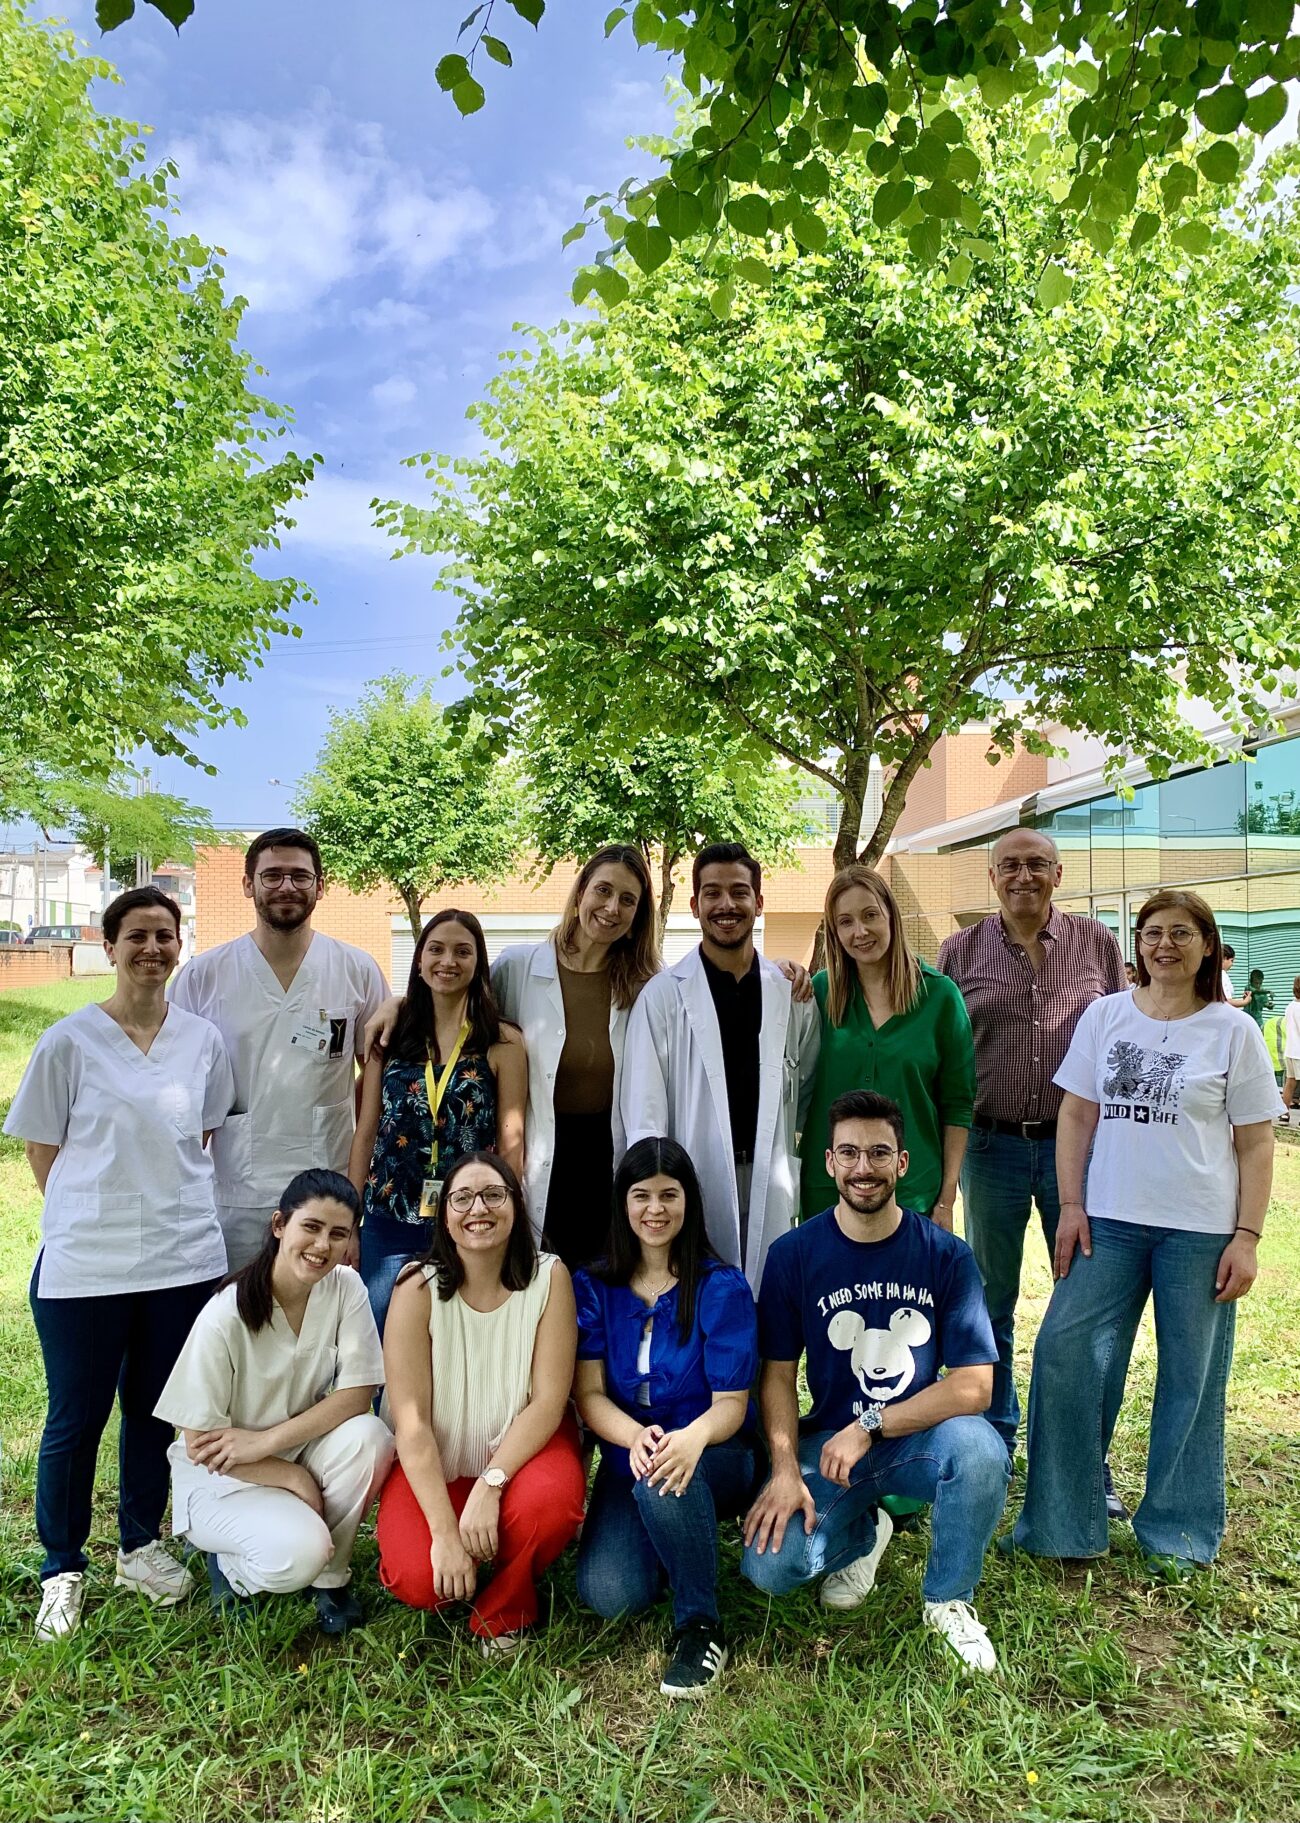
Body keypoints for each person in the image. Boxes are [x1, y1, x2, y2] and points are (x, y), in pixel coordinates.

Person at [1008, 889, 1276, 1572]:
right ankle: (1062, 1524)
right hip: (1109, 1223)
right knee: (1066, 1355)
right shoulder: (1106, 1015)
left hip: (1200, 1232)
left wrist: (1246, 1236)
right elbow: (1076, 1114)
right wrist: (1071, 1205)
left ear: (1208, 945)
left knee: (1192, 1379)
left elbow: (1254, 1142)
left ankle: (1177, 1534)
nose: (1164, 945)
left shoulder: (1232, 1031)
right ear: (1138, 943)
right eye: (1152, 932)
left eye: (1181, 933)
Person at [4, 887, 236, 1642]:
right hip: (87, 1267)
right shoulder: (69, 1042)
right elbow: (43, 1147)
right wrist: (93, 1213)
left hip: (180, 1259)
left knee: (153, 1411)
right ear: (108, 947)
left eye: (165, 935)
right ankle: (62, 1567)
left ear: (179, 946)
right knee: (76, 1418)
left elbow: (200, 1137)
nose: (152, 948)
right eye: (136, 935)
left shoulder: (201, 1041)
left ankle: (140, 1545)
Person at [741, 1091, 1007, 1672]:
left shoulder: (946, 1255)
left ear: (902, 1163)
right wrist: (785, 1470)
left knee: (981, 1451)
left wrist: (871, 1423)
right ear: (829, 1162)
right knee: (771, 1566)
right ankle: (865, 1532)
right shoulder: (793, 1255)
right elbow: (777, 1376)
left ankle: (949, 1601)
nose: (864, 1167)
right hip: (828, 1448)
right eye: (850, 1153)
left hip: (913, 1439)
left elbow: (975, 1387)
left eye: (879, 1153)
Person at [938, 828, 1127, 1502]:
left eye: (1037, 864)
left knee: (1086, 1304)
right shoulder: (960, 951)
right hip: (991, 1148)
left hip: (1080, 1151)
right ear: (992, 877)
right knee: (990, 1300)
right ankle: (995, 1439)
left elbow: (1126, 1032)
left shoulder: (1097, 943)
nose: (1024, 875)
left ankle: (1082, 1458)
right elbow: (940, 1047)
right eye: (1010, 865)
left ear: (1058, 873)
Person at [153, 1170, 394, 1633]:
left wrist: (269, 1444)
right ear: (280, 1224)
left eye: (338, 1233)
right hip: (222, 1478)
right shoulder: (227, 1313)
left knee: (372, 1437)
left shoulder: (346, 1287)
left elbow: (358, 1394)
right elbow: (200, 1442)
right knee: (299, 1553)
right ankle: (230, 1566)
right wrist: (287, 1474)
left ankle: (330, 1579)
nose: (322, 1245)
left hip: (287, 1449)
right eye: (311, 1227)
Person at [375, 1151, 584, 1651]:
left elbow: (548, 1402)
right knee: (418, 1580)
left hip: (521, 1453)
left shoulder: (550, 1277)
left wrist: (492, 1483)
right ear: (444, 1216)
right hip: (438, 1460)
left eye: (493, 1195)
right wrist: (445, 1534)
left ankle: (507, 1604)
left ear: (515, 1205)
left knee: (550, 1504)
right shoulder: (415, 1287)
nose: (478, 1209)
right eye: (462, 1198)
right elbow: (412, 1422)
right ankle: (467, 1549)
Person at [574, 1138, 759, 1699]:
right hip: (628, 1452)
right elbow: (589, 1394)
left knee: (665, 1477)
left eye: (668, 1195)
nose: (655, 1209)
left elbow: (731, 1404)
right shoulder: (595, 1286)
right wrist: (635, 1436)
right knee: (611, 1594)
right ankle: (672, 1533)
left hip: (714, 1450)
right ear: (623, 1203)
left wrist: (690, 1439)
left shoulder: (720, 1286)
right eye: (641, 1196)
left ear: (688, 1201)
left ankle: (700, 1624)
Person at [170, 828, 388, 1271]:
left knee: (322, 1310)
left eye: (300, 876)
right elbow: (174, 1086)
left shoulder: (356, 970)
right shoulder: (203, 977)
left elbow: (379, 1074)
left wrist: (357, 1183)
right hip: (236, 1191)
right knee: (238, 1307)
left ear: (320, 886)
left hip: (327, 1189)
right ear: (248, 884)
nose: (286, 886)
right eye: (271, 876)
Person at [622, 843, 821, 1292]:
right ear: (695, 906)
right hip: (696, 1173)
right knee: (699, 1301)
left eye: (739, 892)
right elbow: (645, 1111)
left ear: (759, 902)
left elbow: (805, 1083)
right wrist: (655, 1194)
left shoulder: (790, 995)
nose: (726, 905)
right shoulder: (663, 997)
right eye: (712, 893)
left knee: (771, 1302)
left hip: (769, 1176)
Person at [348, 909, 527, 1333]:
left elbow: (511, 1143)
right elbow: (367, 1131)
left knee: (456, 1341)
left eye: (463, 952)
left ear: (478, 964)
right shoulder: (390, 1035)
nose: (448, 961)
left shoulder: (502, 1041)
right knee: (379, 1338)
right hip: (389, 1218)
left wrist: (508, 1222)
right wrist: (349, 1220)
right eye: (436, 950)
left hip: (469, 1218)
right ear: (419, 960)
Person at [798, 865, 975, 1228]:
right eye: (845, 922)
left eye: (870, 915)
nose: (860, 932)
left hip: (911, 1192)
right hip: (828, 1191)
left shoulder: (940, 997)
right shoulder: (817, 994)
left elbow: (957, 1105)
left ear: (891, 915)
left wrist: (946, 1199)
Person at [1281, 977, 1300, 1123]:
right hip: (1299, 1052)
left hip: (1290, 1050)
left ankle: (1284, 1113)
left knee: (1290, 1082)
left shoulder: (1290, 1006)